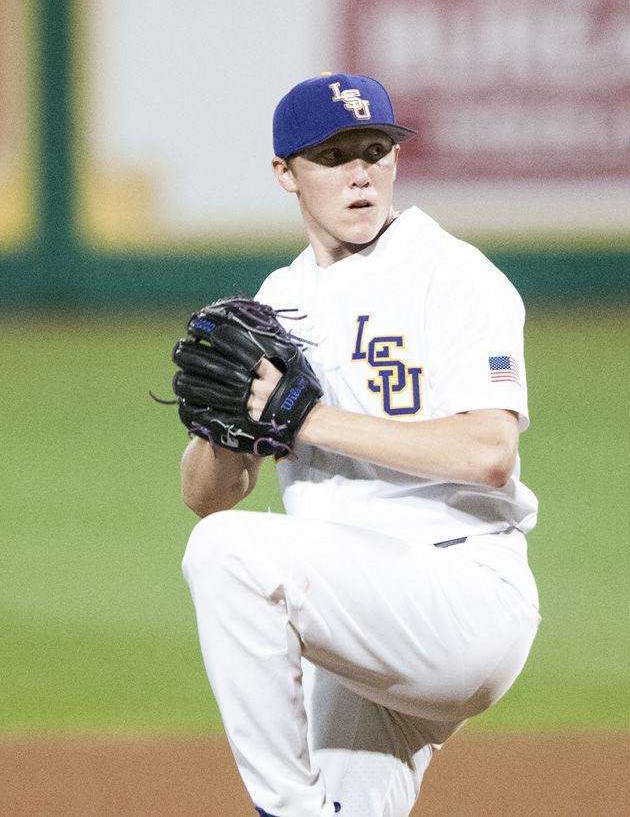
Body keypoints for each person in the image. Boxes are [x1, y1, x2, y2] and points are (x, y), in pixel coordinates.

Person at [180, 73, 540, 817]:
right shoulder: (277, 300)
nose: (360, 174)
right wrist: (217, 430)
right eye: (334, 155)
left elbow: (488, 453)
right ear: (285, 173)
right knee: (221, 537)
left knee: (226, 557)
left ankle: (283, 808)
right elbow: (208, 498)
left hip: (460, 594)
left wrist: (305, 419)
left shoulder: (453, 275)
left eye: (375, 149)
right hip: (358, 614)